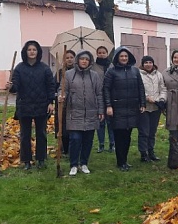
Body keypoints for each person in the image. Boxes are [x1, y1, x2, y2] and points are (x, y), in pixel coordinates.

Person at [6, 40, 56, 170]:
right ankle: (26, 160)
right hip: (24, 105)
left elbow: (51, 86)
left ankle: (41, 159)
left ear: (38, 52)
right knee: (25, 135)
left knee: (41, 133)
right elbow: (15, 86)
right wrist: (10, 87)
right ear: (25, 52)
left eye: (34, 50)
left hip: (42, 105)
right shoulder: (19, 68)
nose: (32, 52)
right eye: (29, 50)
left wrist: (51, 102)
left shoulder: (45, 68)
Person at [61, 50, 104, 176]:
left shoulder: (94, 75)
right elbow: (63, 90)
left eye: (87, 59)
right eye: (82, 59)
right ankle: (74, 164)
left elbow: (99, 93)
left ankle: (84, 163)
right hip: (74, 112)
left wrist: (101, 110)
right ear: (77, 60)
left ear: (90, 61)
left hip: (91, 113)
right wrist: (61, 96)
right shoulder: (69, 75)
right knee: (75, 139)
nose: (84, 61)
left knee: (88, 140)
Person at [103, 47, 145, 171]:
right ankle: (120, 161)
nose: (124, 58)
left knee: (127, 136)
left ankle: (125, 160)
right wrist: (108, 105)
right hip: (117, 108)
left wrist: (142, 103)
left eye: (126, 56)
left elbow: (141, 88)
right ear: (117, 58)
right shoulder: (111, 72)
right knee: (119, 136)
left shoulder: (135, 71)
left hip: (132, 107)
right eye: (121, 56)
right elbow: (106, 89)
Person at [138, 55, 167, 162]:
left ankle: (151, 151)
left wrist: (161, 99)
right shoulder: (139, 74)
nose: (148, 65)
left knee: (152, 131)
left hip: (156, 107)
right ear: (142, 64)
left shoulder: (158, 75)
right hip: (144, 107)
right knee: (144, 131)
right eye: (146, 63)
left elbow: (163, 89)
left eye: (150, 62)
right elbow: (138, 89)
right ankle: (143, 153)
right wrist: (147, 98)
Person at [91, 45, 115, 154]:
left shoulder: (111, 66)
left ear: (107, 53)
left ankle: (112, 143)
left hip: (110, 96)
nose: (101, 54)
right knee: (100, 121)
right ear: (97, 54)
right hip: (98, 96)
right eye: (99, 52)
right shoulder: (93, 66)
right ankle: (101, 144)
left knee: (111, 122)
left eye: (103, 52)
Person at [54, 49, 76, 157]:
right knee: (62, 125)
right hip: (62, 102)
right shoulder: (60, 72)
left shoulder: (77, 71)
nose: (69, 59)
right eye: (67, 58)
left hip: (73, 102)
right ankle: (64, 147)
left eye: (71, 57)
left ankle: (73, 148)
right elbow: (54, 87)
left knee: (71, 125)